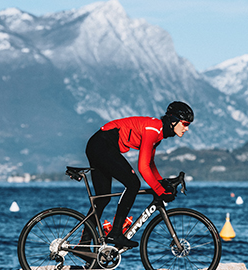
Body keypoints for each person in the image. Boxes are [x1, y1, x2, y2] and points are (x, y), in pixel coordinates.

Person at [80, 101, 194, 248]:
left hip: (98, 145)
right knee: (133, 183)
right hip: (102, 144)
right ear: (173, 121)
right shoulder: (153, 129)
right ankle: (115, 233)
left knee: (102, 199)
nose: (187, 129)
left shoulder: (158, 133)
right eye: (185, 124)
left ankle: (82, 244)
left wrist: (161, 182)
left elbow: (150, 163)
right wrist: (160, 191)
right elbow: (143, 167)